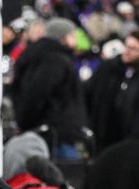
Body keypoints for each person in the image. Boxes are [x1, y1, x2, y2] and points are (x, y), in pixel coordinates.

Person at [10, 16, 87, 159]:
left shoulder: (46, 55)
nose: (76, 39)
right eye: (72, 35)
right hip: (55, 135)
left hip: (48, 132)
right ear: (63, 37)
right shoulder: (55, 59)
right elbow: (37, 94)